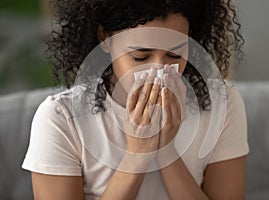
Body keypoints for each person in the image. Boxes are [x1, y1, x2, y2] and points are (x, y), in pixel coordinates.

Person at [22, 0, 249, 199]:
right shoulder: (61, 118)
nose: (159, 70)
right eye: (140, 57)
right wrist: (138, 155)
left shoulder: (221, 104)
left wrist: (167, 150)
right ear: (105, 38)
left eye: (174, 55)